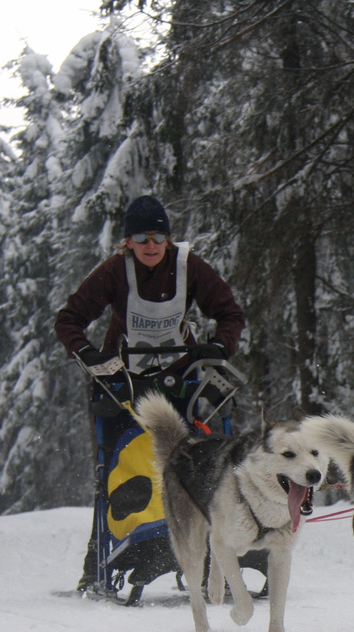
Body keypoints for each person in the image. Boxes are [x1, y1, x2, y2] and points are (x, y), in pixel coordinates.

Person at [55, 194, 247, 598]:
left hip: (181, 380)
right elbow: (69, 318)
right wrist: (87, 352)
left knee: (195, 465)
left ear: (168, 238)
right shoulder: (114, 271)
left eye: (158, 236)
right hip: (126, 383)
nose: (151, 245)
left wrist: (219, 347)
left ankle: (208, 556)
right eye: (141, 237)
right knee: (119, 466)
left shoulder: (188, 266)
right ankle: (99, 564)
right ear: (127, 242)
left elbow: (230, 313)